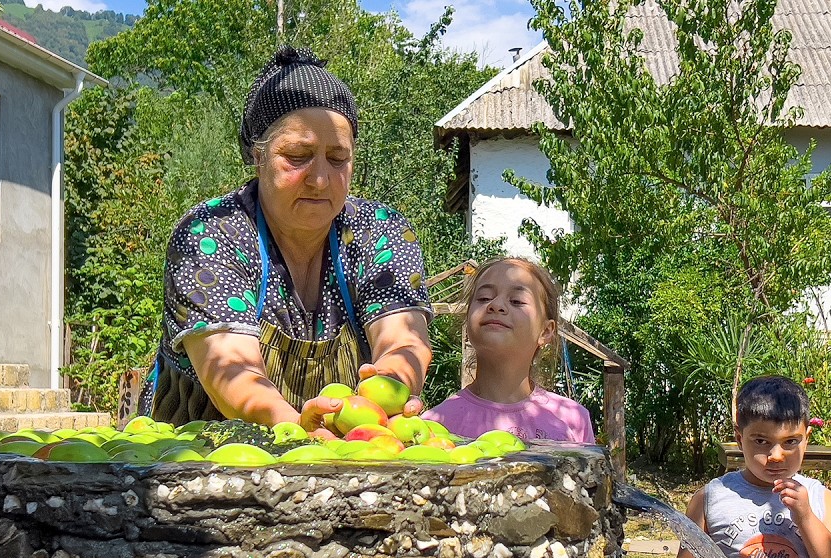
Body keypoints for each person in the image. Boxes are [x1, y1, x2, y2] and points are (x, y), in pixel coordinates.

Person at [147, 47, 433, 429]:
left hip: (340, 459)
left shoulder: (379, 231)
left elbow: (403, 341)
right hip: (202, 455)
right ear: (257, 156)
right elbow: (233, 374)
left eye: (337, 158)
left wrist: (389, 390)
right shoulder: (212, 232)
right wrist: (296, 428)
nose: (320, 179)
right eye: (297, 156)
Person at [663, 375, 831, 558]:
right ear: (739, 438)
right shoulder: (711, 499)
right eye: (761, 442)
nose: (776, 456)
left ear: (806, 438)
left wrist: (805, 516)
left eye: (790, 442)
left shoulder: (821, 499)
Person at [423, 258, 594, 443]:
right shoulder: (435, 424)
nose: (496, 305)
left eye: (516, 301)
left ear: (545, 331)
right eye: (484, 298)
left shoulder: (574, 420)